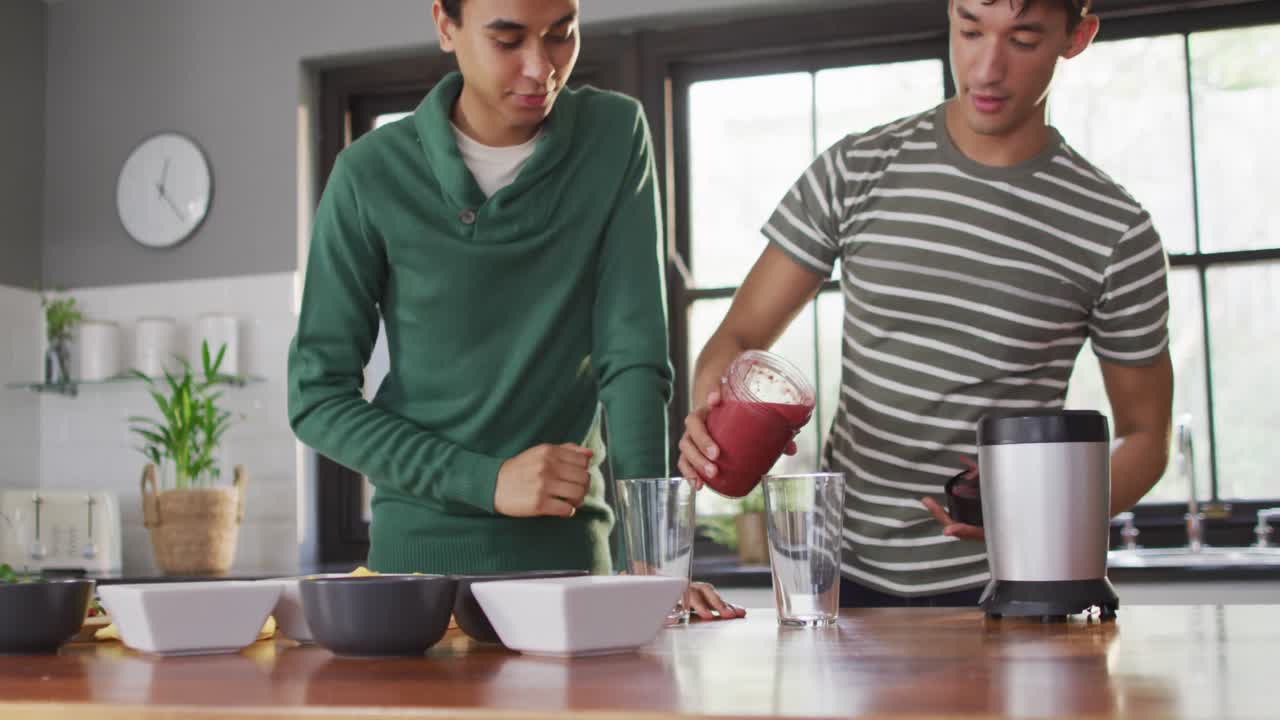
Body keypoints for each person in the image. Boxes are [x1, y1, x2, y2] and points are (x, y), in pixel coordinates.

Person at [679, 0, 1174, 607]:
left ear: (1076, 37)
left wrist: (1044, 510)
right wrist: (713, 409)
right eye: (969, 30)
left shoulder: (1113, 229)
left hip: (1011, 584)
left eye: (1022, 40)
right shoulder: (855, 169)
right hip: (844, 580)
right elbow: (739, 335)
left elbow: (1146, 436)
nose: (986, 69)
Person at [288, 0, 743, 620]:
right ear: (446, 28)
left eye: (562, 36)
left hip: (572, 572)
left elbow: (633, 359)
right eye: (508, 40)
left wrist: (652, 564)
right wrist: (486, 481)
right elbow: (316, 400)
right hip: (419, 582)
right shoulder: (368, 174)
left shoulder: (614, 136)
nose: (541, 68)